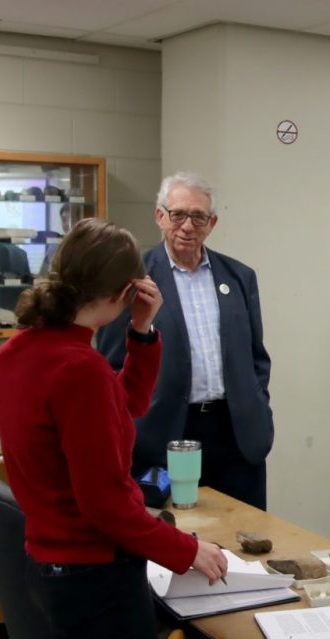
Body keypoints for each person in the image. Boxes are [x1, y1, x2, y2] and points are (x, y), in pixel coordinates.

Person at [0, 218, 227, 639]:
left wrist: (142, 332)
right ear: (125, 291)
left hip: (48, 567)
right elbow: (105, 504)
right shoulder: (80, 369)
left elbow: (125, 405)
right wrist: (185, 549)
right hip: (96, 577)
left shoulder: (21, 350)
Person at [97, 172, 274, 510]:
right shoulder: (134, 279)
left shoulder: (239, 277)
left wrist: (257, 402)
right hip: (164, 434)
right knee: (176, 538)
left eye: (198, 217)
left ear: (213, 222)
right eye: (178, 214)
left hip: (235, 432)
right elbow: (111, 364)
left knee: (245, 532)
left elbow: (257, 359)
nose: (188, 226)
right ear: (160, 216)